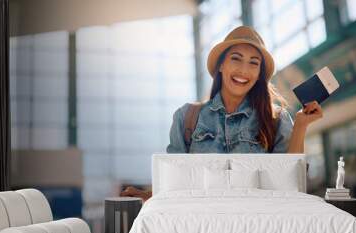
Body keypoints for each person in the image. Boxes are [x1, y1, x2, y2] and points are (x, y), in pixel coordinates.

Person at [120, 26, 322, 201]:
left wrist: (301, 126)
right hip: (201, 225)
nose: (244, 70)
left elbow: (289, 181)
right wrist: (148, 194)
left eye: (253, 62)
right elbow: (174, 180)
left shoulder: (276, 119)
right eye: (236, 59)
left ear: (259, 73)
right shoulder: (186, 117)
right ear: (221, 65)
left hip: (257, 226)